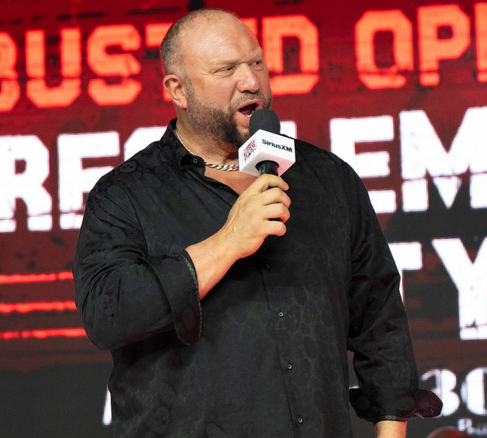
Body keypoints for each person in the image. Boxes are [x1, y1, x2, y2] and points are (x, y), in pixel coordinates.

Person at [74, 8, 439, 437]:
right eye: (226, 69)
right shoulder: (126, 194)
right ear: (178, 89)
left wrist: (391, 429)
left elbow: (379, 316)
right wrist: (229, 240)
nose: (251, 82)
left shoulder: (328, 180)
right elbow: (107, 314)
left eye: (257, 63)